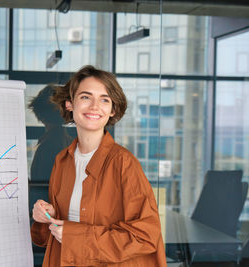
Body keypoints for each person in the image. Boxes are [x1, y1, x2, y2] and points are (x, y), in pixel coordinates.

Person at [31, 65, 167, 266]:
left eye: (104, 99)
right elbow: (55, 234)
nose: (95, 106)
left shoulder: (124, 163)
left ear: (112, 110)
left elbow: (145, 236)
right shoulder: (62, 160)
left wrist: (74, 235)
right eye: (86, 97)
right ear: (70, 104)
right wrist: (46, 217)